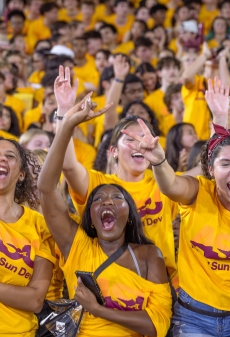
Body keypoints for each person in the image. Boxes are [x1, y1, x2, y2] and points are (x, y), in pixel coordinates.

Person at [123, 79, 230, 336]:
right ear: (210, 169)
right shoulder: (198, 191)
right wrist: (160, 161)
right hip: (193, 317)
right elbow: (171, 185)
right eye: (225, 164)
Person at [37, 94, 172, 336]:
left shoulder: (151, 256)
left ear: (131, 214)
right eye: (98, 199)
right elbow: (46, 187)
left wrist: (97, 309)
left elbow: (158, 326)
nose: (107, 201)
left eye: (118, 199)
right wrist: (67, 122)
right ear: (88, 214)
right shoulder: (76, 245)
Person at [54, 66, 179, 290]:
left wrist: (220, 116)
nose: (140, 144)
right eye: (131, 139)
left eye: (145, 138)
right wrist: (64, 112)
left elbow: (208, 171)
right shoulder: (98, 186)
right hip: (111, 288)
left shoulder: (165, 181)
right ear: (112, 151)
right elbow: (67, 165)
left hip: (163, 287)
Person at [0, 137, 55, 336]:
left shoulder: (39, 226)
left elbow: (35, 300)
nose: (2, 160)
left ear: (22, 174)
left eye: (10, 156)